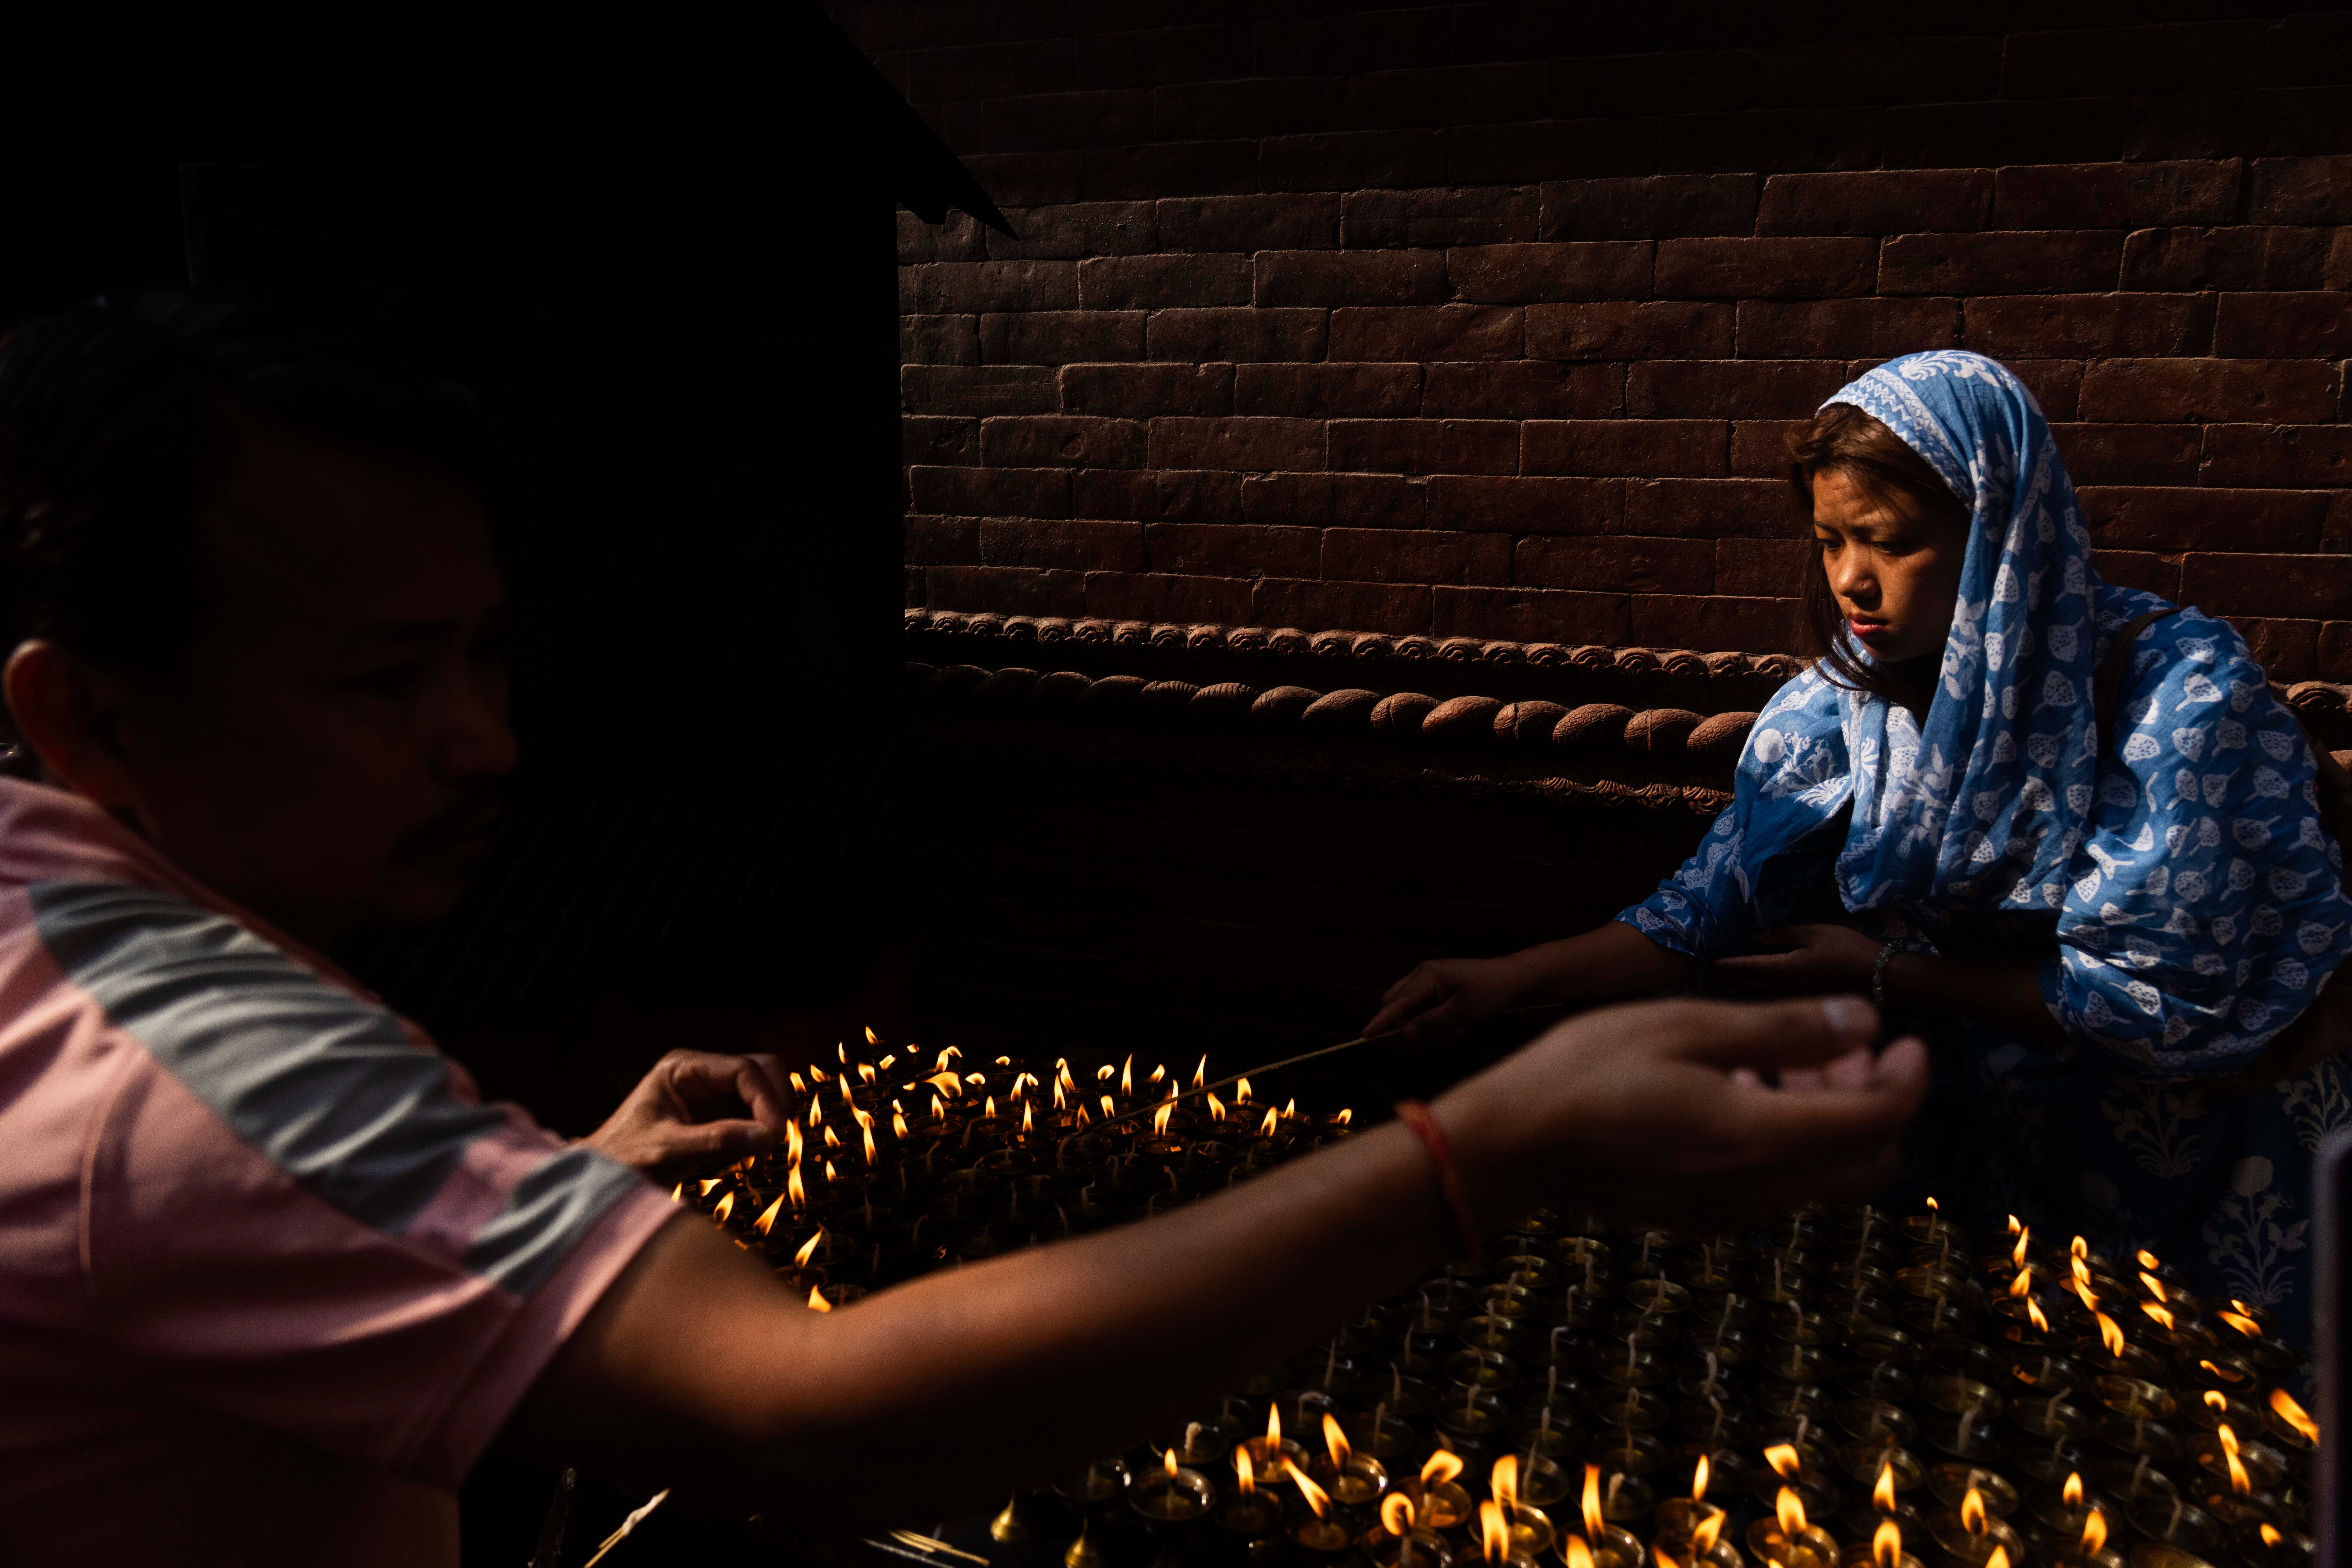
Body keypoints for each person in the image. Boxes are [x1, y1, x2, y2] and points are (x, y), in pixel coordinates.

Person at [0, 295, 1929, 1566]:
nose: (484, 742)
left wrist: (564, 1185)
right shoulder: (199, 1066)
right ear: (88, 713)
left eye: (486, 656)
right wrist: (1477, 1155)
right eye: (378, 678)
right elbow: (811, 1419)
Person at [1372, 349, 2352, 1346]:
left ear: (1999, 533)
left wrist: (1888, 972)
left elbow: (2155, 999)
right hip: (1987, 1176)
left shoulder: (2177, 700)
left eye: (1890, 542)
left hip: (2193, 1182)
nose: (1850, 579)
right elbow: (1710, 907)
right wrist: (1504, 982)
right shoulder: (1846, 704)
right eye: (1830, 540)